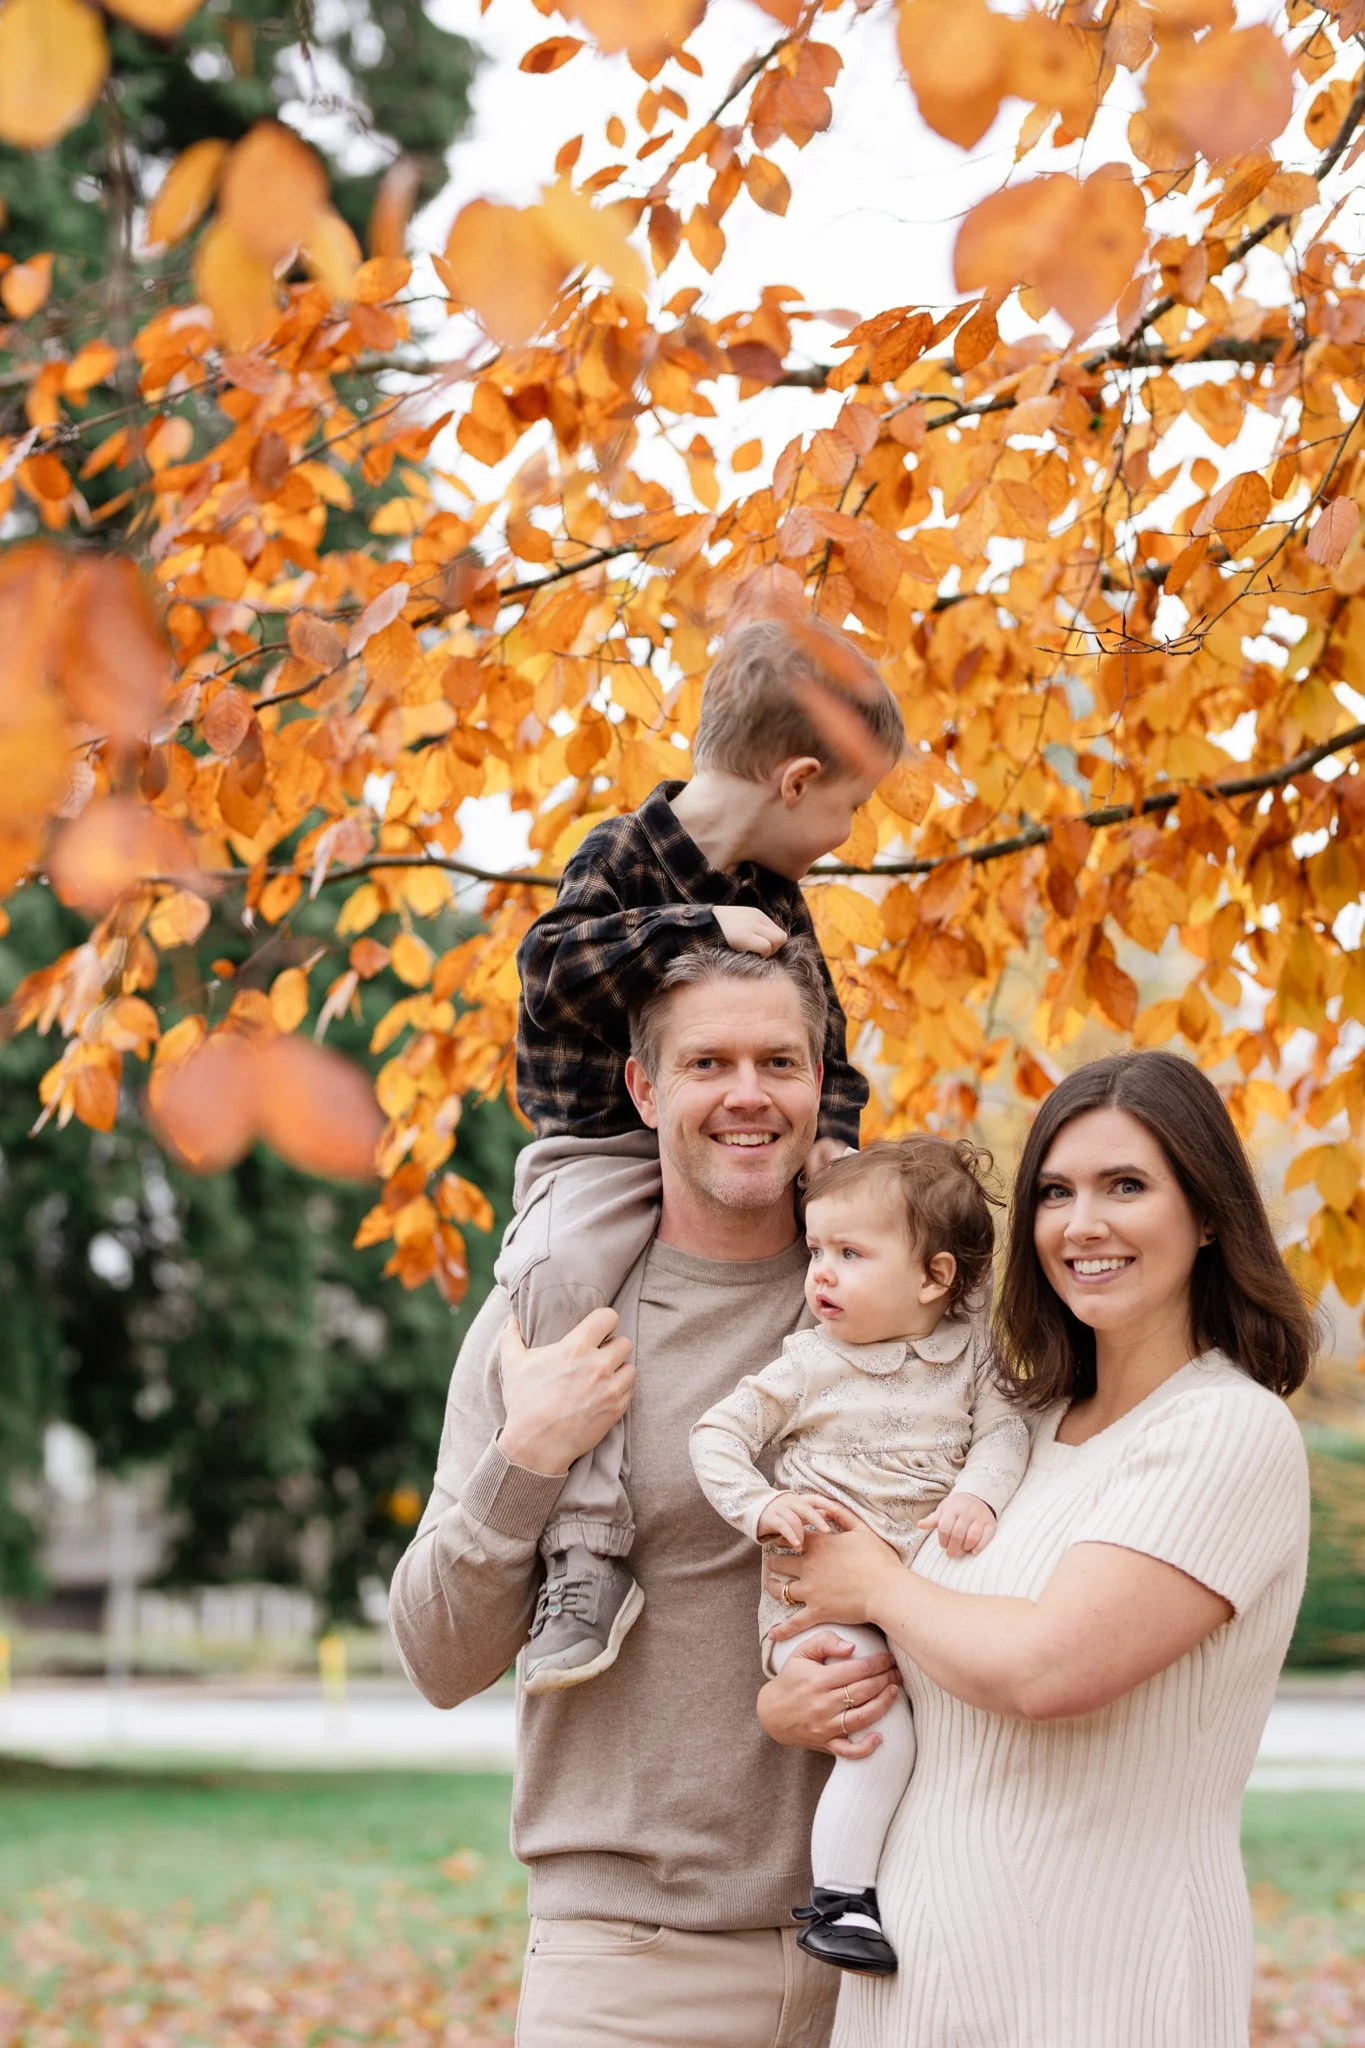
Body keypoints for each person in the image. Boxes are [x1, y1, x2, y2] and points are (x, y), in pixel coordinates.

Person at [389, 939, 905, 2048]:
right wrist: (530, 1454)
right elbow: (436, 1658)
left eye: (780, 1060)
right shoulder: (547, 1325)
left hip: (891, 1953)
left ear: (823, 1080)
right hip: (626, 1961)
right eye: (708, 1062)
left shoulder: (906, 1307)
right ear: (644, 1085)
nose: (748, 1094)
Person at [759, 1049, 1316, 2048]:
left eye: (1127, 1185)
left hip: (1098, 1982)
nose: (1081, 1222)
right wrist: (796, 1696)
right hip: (911, 1981)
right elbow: (917, 1673)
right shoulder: (1015, 1431)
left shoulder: (1225, 1429)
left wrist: (879, 1583)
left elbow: (1049, 1666)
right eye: (1055, 1191)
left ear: (1207, 1213)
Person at [499, 614, 905, 1694]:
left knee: (854, 1250)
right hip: (598, 1147)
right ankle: (585, 1547)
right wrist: (695, 925)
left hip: (726, 1152)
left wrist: (835, 1150)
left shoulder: (785, 904)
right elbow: (550, 968)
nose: (847, 834)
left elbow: (831, 1052)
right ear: (797, 777)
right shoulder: (623, 851)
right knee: (559, 1277)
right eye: (848, 808)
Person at [689, 1138, 1028, 1974]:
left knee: (956, 1738)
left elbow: (1008, 1433)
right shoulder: (809, 1363)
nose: (821, 1276)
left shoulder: (973, 1357)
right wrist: (763, 1506)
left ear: (934, 1278)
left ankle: (940, 1896)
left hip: (920, 1599)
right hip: (822, 1607)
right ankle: (841, 1900)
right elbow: (715, 1435)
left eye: (849, 1254)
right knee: (884, 1733)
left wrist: (976, 1494)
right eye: (815, 1252)